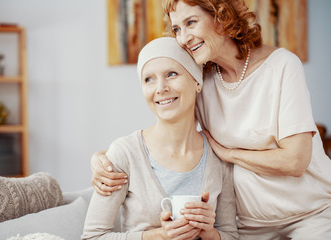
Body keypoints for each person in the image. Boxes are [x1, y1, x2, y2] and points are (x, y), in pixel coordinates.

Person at [90, 0, 331, 239]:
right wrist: (103, 160)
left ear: (222, 16)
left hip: (310, 213)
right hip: (249, 224)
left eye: (191, 23)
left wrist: (230, 155)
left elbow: (296, 161)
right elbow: (168, 135)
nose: (183, 38)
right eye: (176, 29)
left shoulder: (282, 66)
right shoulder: (202, 81)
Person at [82, 37, 238, 240]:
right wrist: (158, 236)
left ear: (196, 82)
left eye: (171, 74)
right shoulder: (125, 154)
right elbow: (92, 236)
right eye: (149, 79)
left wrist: (209, 232)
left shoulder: (218, 155)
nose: (160, 88)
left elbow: (231, 236)